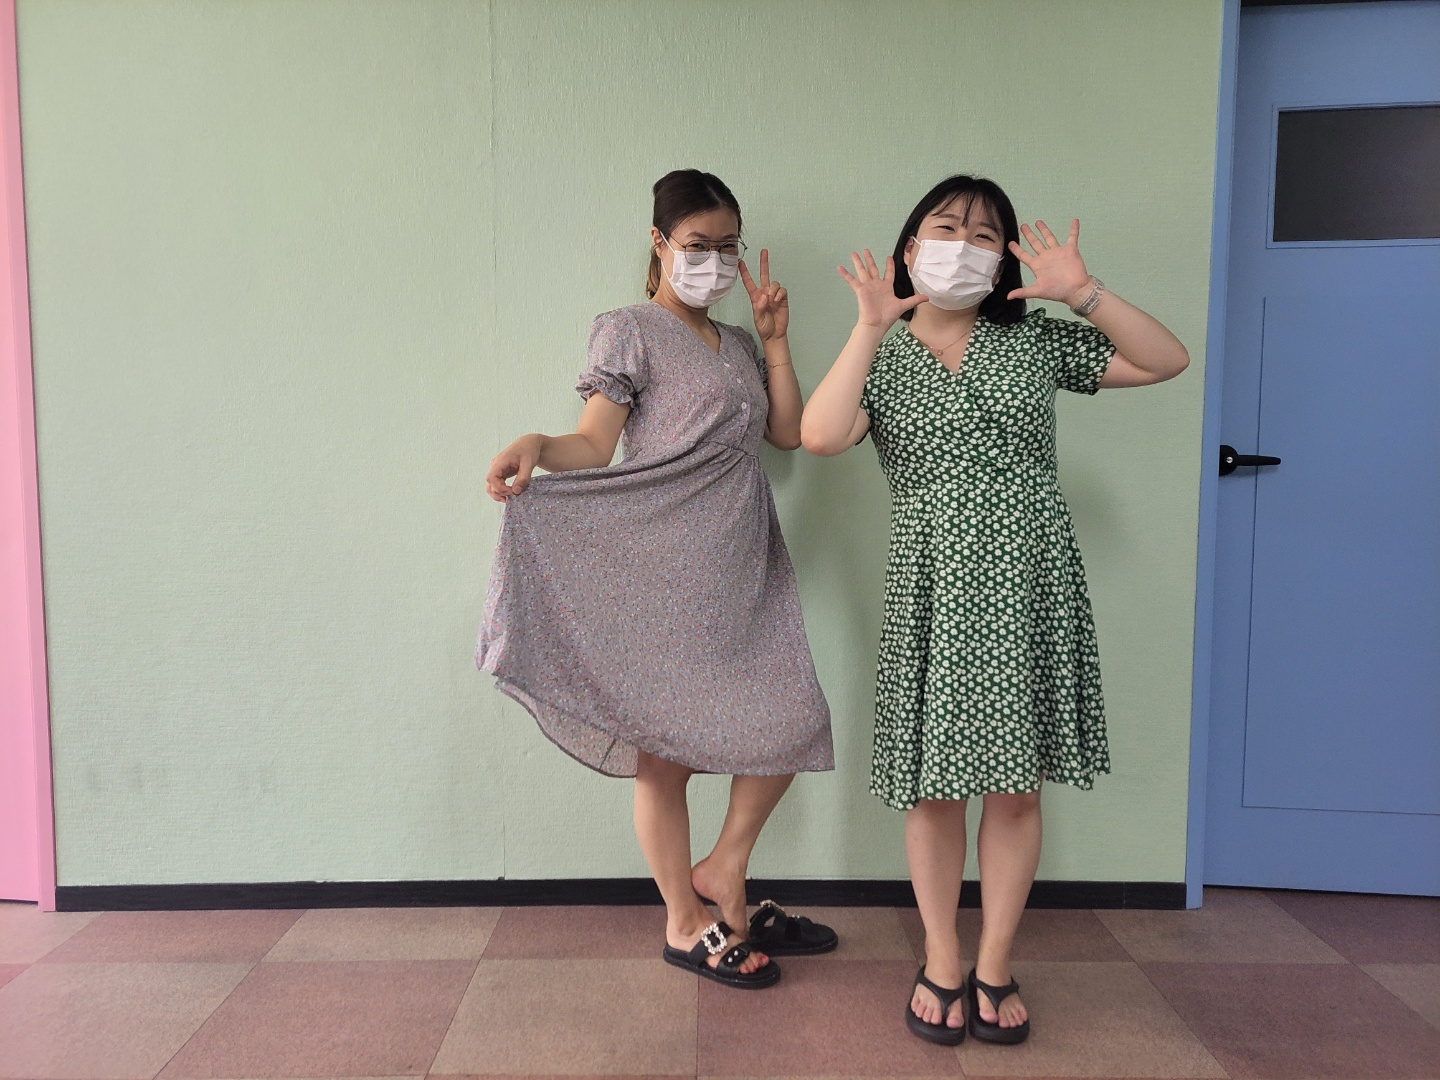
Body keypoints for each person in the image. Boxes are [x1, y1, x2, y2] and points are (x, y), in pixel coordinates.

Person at [801, 175, 1189, 1042]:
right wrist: (868, 326)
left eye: (984, 235)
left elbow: (1166, 360)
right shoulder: (881, 352)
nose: (962, 247)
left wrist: (1085, 293)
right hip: (932, 584)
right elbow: (821, 435)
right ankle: (942, 956)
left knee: (1016, 790)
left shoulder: (1035, 340)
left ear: (1006, 256)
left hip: (1029, 579)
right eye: (945, 229)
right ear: (910, 248)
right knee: (936, 792)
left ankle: (995, 961)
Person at [478, 169, 837, 989]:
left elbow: (785, 434)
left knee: (791, 719)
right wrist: (539, 445)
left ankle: (724, 873)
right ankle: (684, 920)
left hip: (744, 562)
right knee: (665, 756)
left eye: (727, 247)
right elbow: (593, 445)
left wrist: (776, 340)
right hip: (663, 563)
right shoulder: (630, 330)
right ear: (660, 243)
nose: (713, 262)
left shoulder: (738, 344)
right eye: (697, 245)